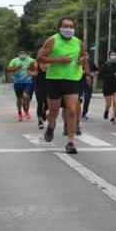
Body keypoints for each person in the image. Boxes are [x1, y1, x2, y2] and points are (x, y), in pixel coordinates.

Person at [37, 17, 88, 154]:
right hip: (54, 79)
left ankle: (70, 142)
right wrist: (59, 60)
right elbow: (40, 58)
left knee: (72, 109)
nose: (68, 29)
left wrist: (82, 60)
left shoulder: (78, 42)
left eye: (71, 26)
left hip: (72, 79)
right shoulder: (52, 40)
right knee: (53, 112)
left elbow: (83, 56)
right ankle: (51, 125)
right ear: (59, 27)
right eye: (65, 26)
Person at [7, 49, 35, 122]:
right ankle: (19, 112)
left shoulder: (31, 60)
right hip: (18, 82)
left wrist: (31, 69)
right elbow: (8, 69)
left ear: (27, 53)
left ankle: (26, 110)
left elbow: (35, 68)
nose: (22, 54)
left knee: (26, 96)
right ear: (18, 53)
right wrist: (16, 68)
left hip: (28, 82)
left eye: (24, 53)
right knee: (19, 98)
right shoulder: (14, 60)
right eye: (21, 53)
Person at [99, 51, 116, 124]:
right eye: (112, 55)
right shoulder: (105, 65)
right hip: (107, 86)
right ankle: (106, 110)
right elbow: (101, 75)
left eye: (115, 55)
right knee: (109, 104)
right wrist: (112, 75)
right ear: (109, 56)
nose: (114, 56)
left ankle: (113, 117)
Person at [29, 55, 48, 130]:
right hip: (38, 86)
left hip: (49, 86)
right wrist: (32, 74)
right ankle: (40, 121)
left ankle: (44, 110)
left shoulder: (50, 62)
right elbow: (29, 70)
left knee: (48, 104)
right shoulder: (35, 63)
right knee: (40, 102)